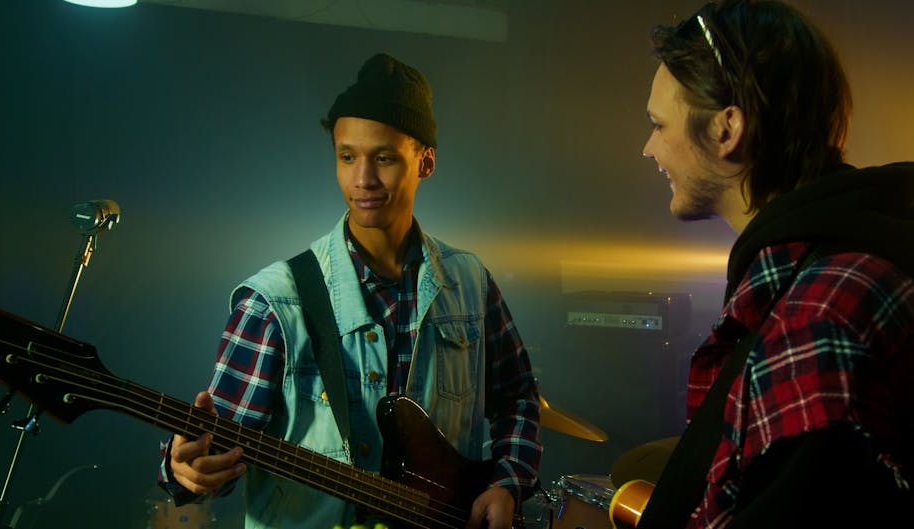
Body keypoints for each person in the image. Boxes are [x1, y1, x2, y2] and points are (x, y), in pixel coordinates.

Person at [156, 53, 542, 529]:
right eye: (347, 157)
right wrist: (185, 467)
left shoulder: (469, 282)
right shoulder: (275, 301)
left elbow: (518, 395)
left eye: (383, 157)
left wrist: (507, 484)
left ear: (426, 161)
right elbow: (215, 454)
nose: (363, 180)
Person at [637, 1, 913, 527]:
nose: (648, 148)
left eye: (657, 123)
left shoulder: (819, 314)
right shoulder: (825, 274)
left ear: (727, 129)